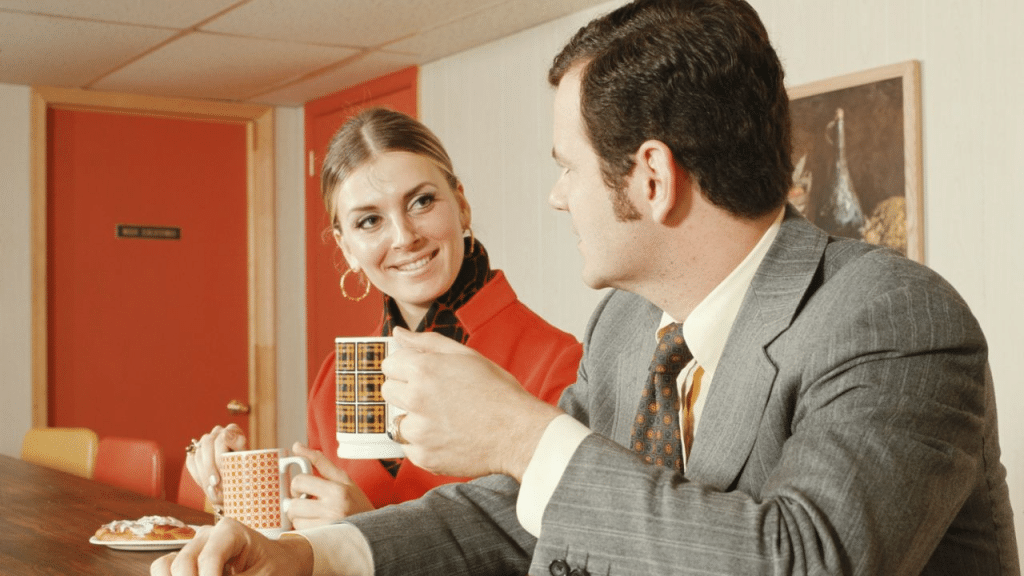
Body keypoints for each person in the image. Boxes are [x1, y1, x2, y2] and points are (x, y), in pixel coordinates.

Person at [155, 0, 1019, 575]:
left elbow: (803, 559)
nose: (556, 193)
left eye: (566, 165)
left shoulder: (892, 315)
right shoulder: (626, 324)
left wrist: (525, 437)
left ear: (650, 178)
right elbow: (517, 511)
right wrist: (310, 558)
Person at [183, 107, 582, 529]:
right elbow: (311, 545)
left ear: (461, 206)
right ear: (347, 248)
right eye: (370, 221)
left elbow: (560, 551)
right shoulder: (334, 379)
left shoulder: (559, 362)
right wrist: (234, 488)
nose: (405, 236)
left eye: (421, 202)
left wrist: (371, 537)